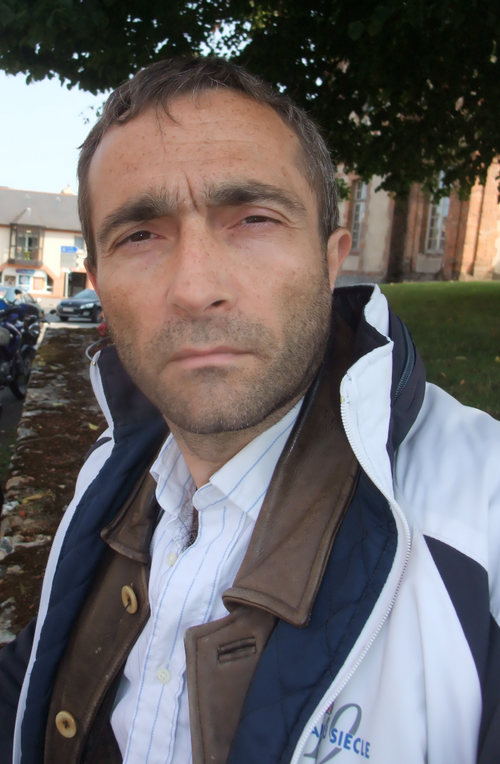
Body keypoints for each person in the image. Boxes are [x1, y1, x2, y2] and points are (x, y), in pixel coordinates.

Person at [1, 57, 500, 764]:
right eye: (140, 235)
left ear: (331, 261)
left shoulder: (477, 527)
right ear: (99, 282)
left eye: (254, 219)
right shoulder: (109, 475)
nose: (195, 287)